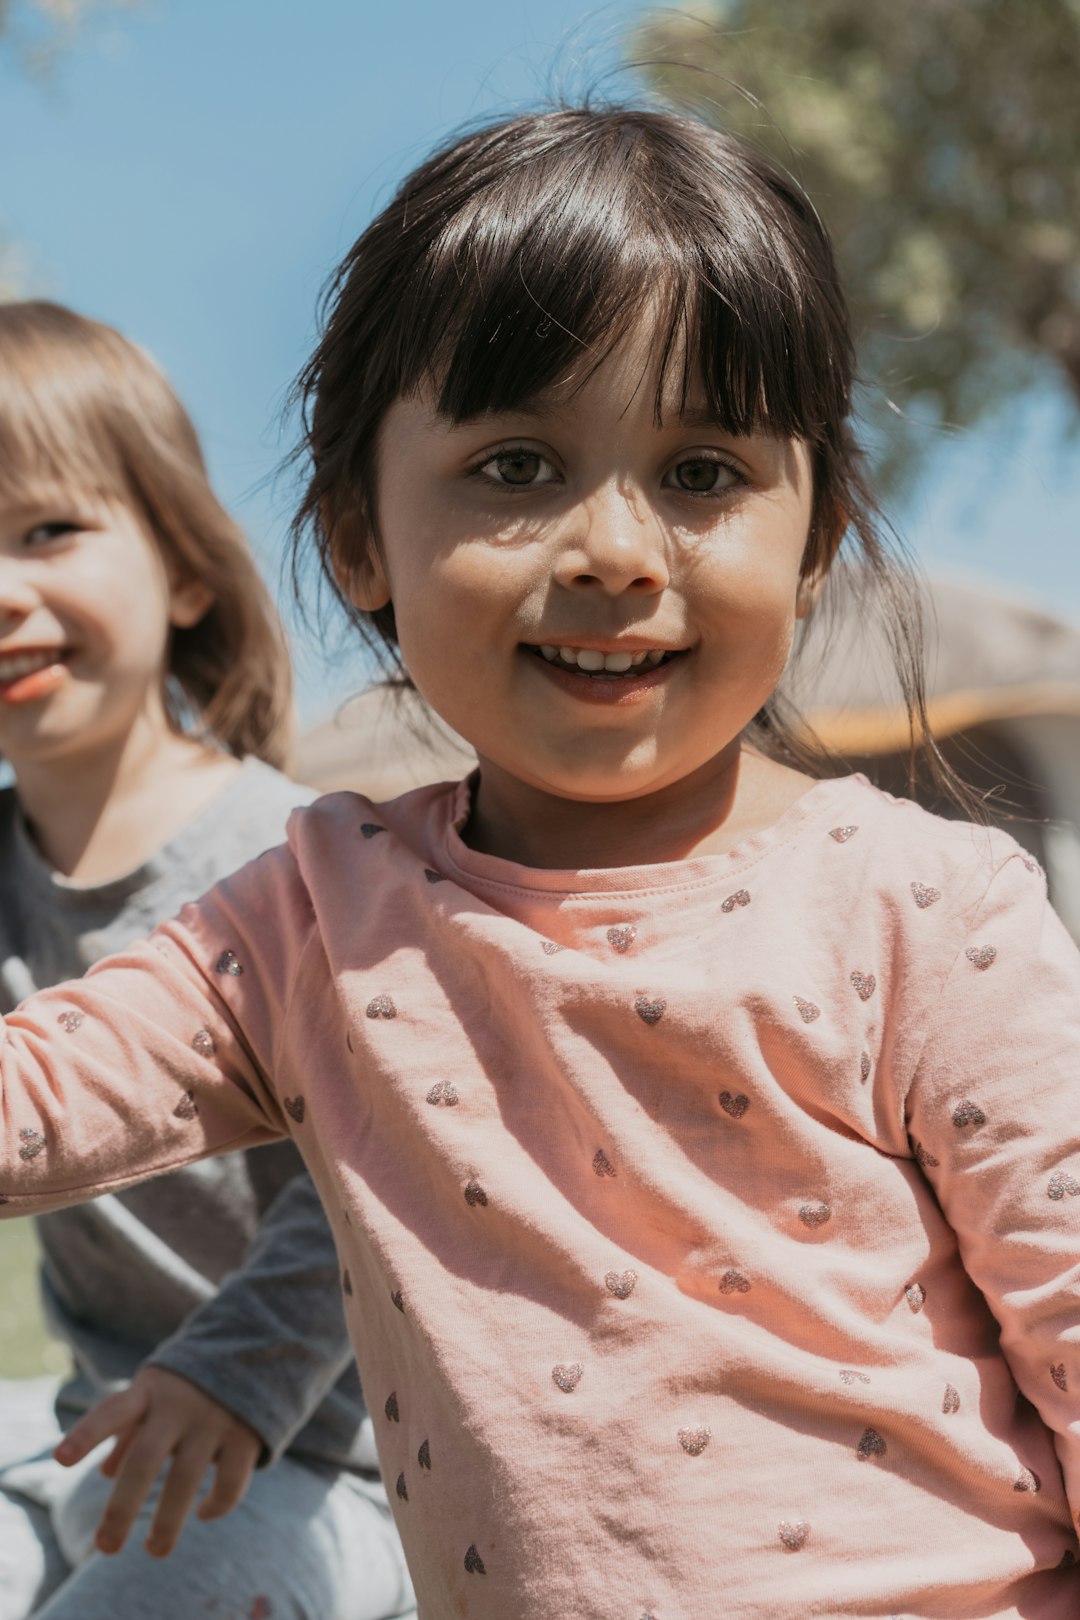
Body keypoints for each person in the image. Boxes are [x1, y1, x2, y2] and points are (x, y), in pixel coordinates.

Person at [0, 107, 1078, 1618]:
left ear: (816, 530)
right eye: (517, 465)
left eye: (704, 473)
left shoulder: (928, 908)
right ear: (358, 542)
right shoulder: (321, 915)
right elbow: (36, 1101)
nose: (619, 549)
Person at [0, 302, 414, 1620]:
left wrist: (236, 1375)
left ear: (184, 569)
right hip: (91, 1444)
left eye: (47, 530)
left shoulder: (293, 860)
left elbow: (384, 1162)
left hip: (339, 1465)